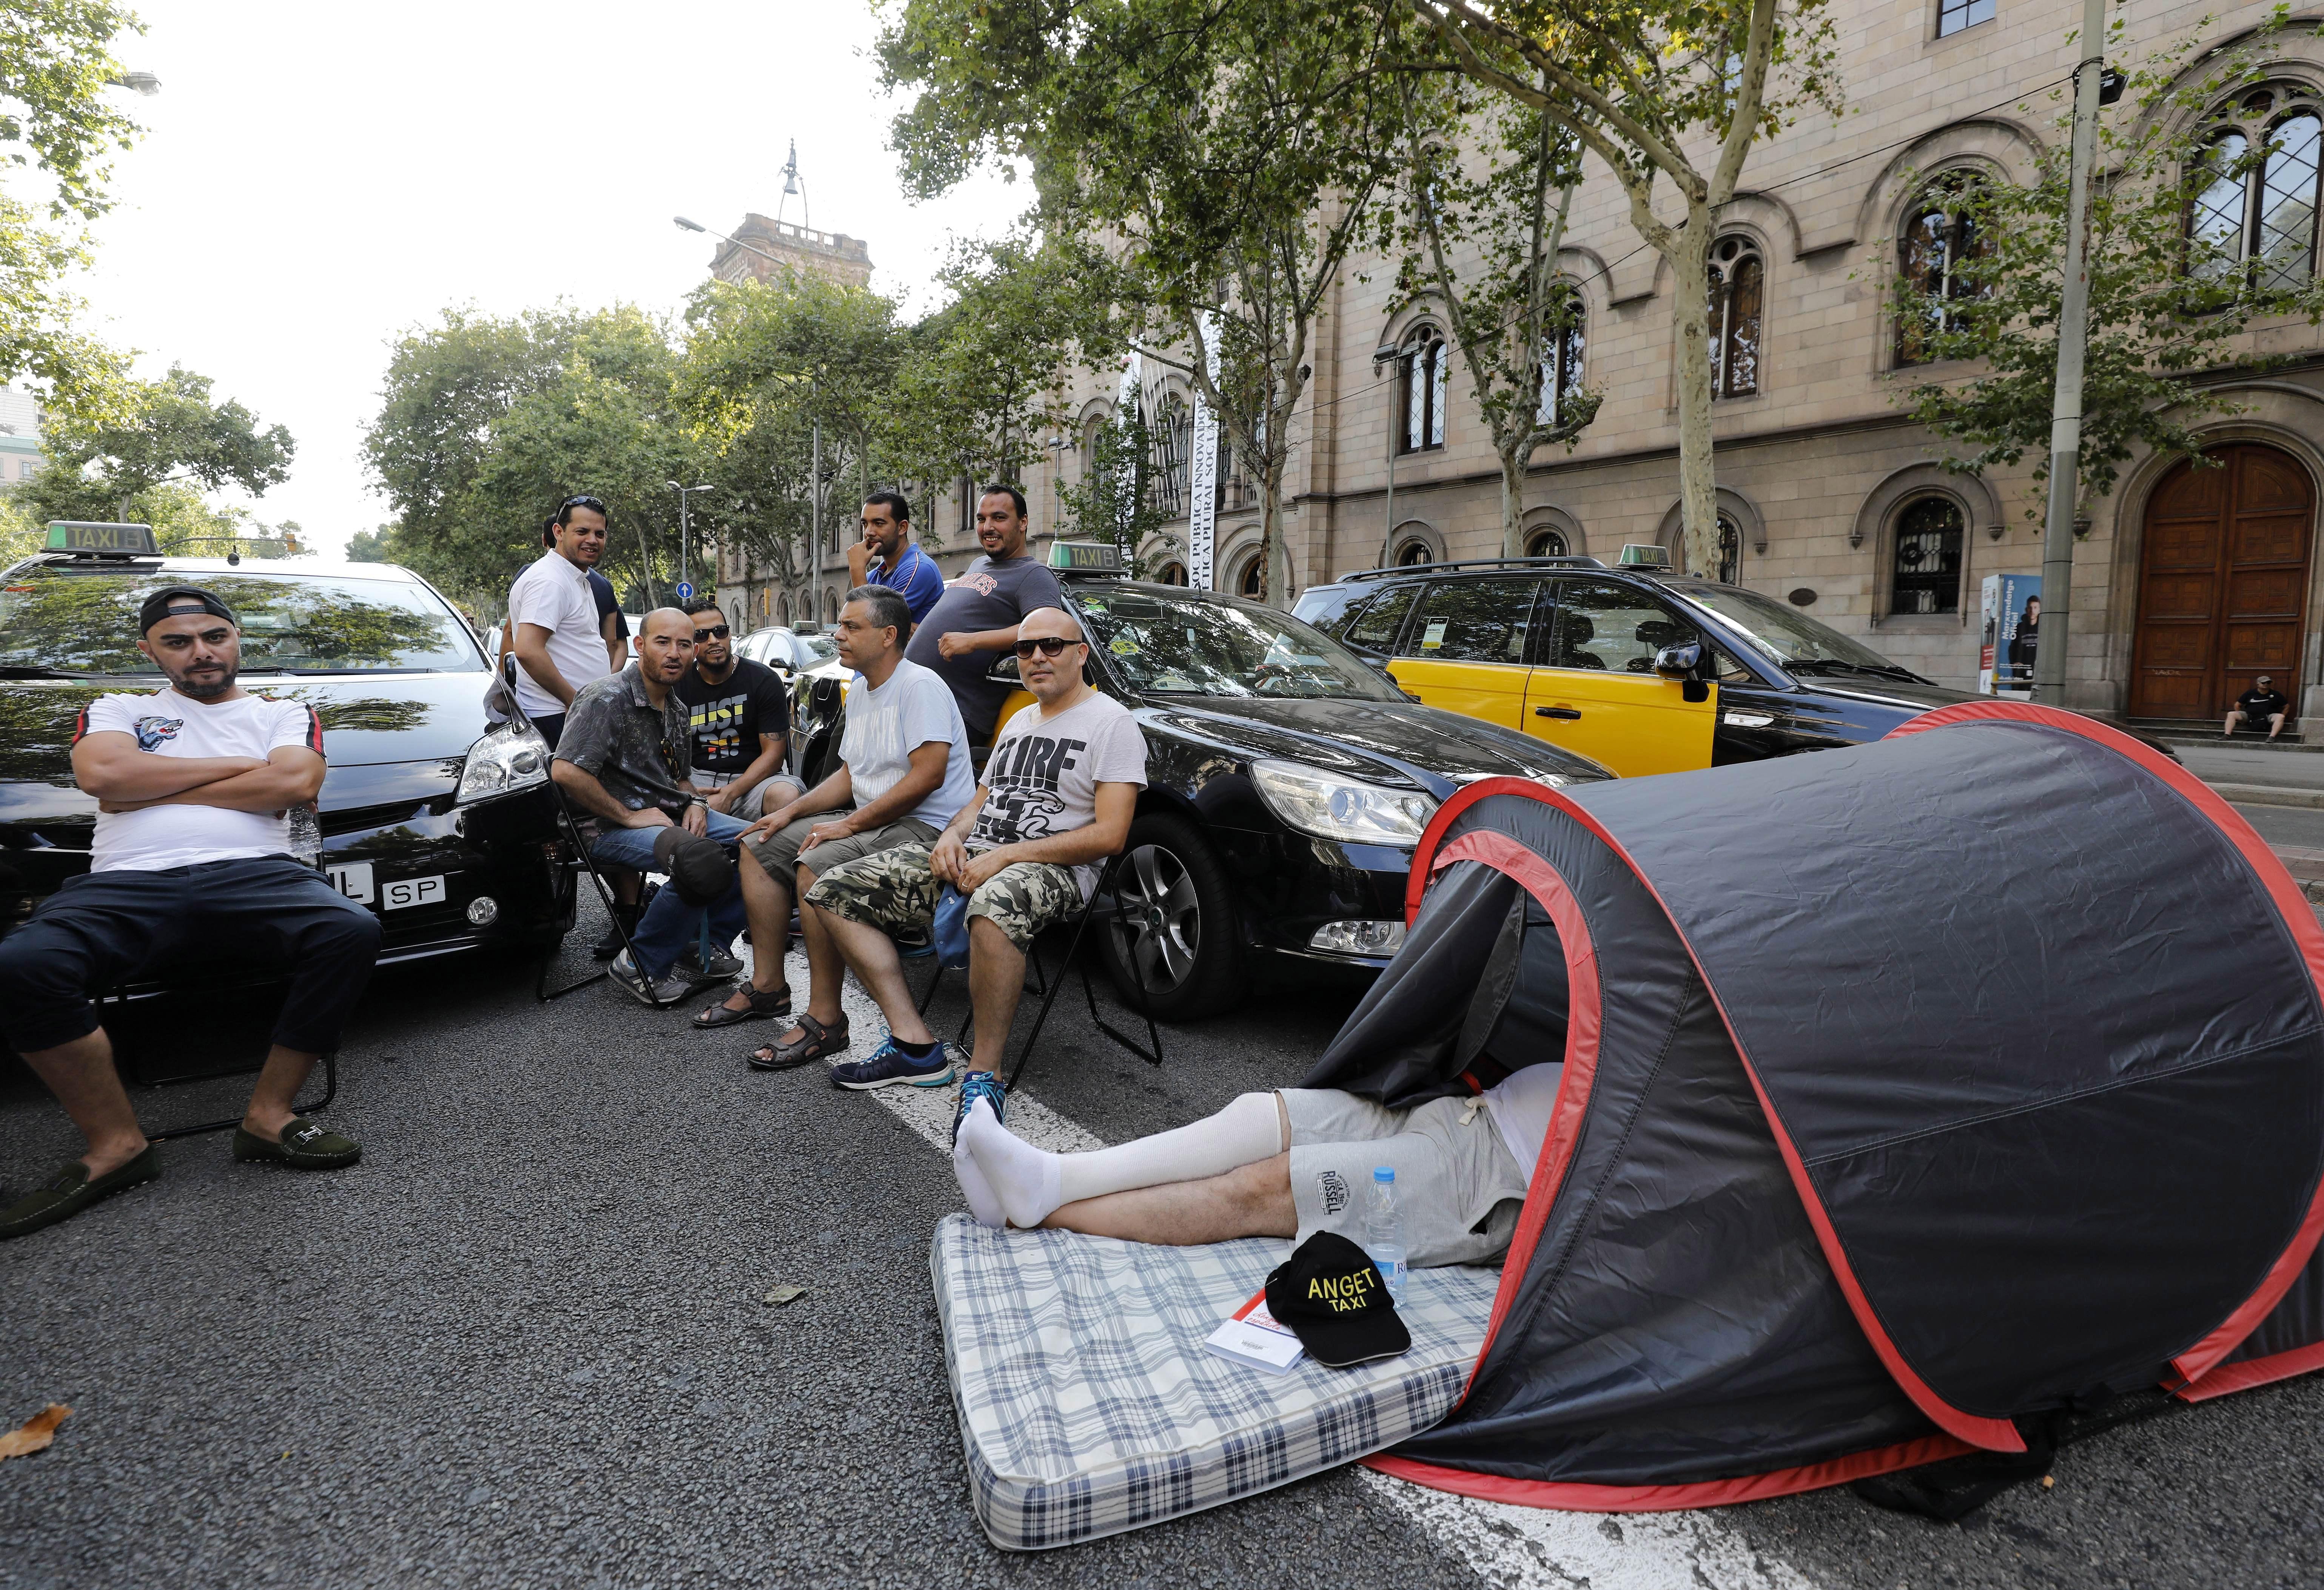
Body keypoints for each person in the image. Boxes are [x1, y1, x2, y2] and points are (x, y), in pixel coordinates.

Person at [0, 586, 381, 1240]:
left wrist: (147, 778)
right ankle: (117, 1146)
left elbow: (293, 784)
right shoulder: (117, 706)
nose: (201, 653)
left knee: (349, 929)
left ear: (237, 639)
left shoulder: (284, 711)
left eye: (214, 637)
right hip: (126, 881)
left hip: (259, 874)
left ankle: (269, 1115)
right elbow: (103, 779)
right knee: (22, 963)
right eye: (178, 642)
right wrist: (241, 767)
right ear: (150, 650)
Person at [803, 605, 1145, 1089]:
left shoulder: (1111, 723)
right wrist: (951, 836)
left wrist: (1005, 856)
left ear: (1081, 653)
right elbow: (979, 802)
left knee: (993, 901)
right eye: (1025, 648)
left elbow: (1111, 835)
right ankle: (914, 1044)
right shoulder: (1020, 721)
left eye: (1052, 646)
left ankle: (985, 1073)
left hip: (1060, 870)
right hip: (979, 855)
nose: (1037, 657)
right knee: (832, 888)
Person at [952, 1058, 1565, 1269]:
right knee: (1258, 1115)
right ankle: (1048, 1179)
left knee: (1263, 1188)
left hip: (1493, 1179)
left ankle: (1034, 1208)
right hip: (1470, 1106)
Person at [713, 585, 976, 1060]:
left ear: (889, 635)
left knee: (815, 861)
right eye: (841, 625)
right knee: (760, 842)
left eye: (852, 626)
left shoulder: (920, 686)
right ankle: (769, 985)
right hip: (876, 822)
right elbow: (851, 773)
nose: (838, 634)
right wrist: (789, 811)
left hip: (926, 828)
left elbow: (928, 776)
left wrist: (849, 826)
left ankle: (826, 1020)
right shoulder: (861, 692)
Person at [551, 608, 755, 1006]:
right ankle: (640, 964)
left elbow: (680, 779)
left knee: (766, 840)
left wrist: (695, 801)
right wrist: (628, 815)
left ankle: (703, 945)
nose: (675, 653)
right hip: (603, 827)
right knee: (699, 861)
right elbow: (565, 772)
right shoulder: (605, 698)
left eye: (684, 644)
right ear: (641, 645)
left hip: (667, 817)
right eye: (663, 642)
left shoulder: (678, 710)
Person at [902, 484, 1063, 742]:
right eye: (981, 519)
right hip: (912, 695)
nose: (987, 527)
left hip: (953, 712)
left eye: (999, 518)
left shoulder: (1035, 575)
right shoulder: (978, 564)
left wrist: (973, 641)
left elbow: (1046, 629)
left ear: (1023, 523)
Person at [676, 595, 804, 823]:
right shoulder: (677, 684)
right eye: (702, 635)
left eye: (721, 631)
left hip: (753, 781)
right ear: (689, 643)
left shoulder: (763, 680)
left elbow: (774, 756)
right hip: (696, 779)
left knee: (787, 795)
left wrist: (730, 793)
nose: (714, 640)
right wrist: (692, 795)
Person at [507, 495, 617, 748]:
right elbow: (527, 650)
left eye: (600, 534)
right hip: (557, 715)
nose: (592, 540)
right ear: (558, 532)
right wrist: (575, 701)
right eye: (582, 531)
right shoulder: (551, 581)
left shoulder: (573, 576)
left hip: (568, 713)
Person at [845, 490, 947, 626]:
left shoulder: (919, 568)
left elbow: (872, 625)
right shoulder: (873, 576)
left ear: (902, 528)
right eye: (865, 524)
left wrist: (857, 570)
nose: (869, 532)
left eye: (879, 523)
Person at [2228, 675, 2292, 740]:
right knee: (2231, 714)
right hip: (2250, 716)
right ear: (2258, 684)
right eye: (2263, 683)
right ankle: (2227, 735)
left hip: (2269, 716)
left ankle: (2272, 737)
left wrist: (2283, 717)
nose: (2266, 684)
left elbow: (2287, 707)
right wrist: (2242, 720)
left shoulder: (2276, 694)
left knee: (2281, 717)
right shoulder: (2250, 693)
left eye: (2268, 683)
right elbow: (2237, 705)